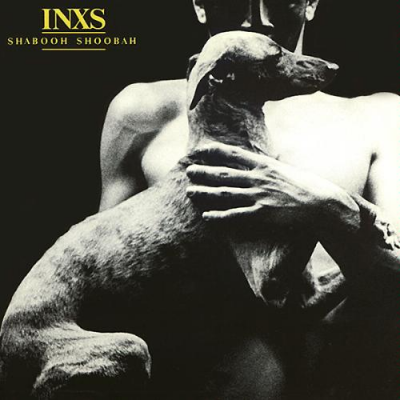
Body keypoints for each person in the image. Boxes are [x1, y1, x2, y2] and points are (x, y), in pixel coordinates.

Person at [99, 0, 400, 398]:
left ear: (310, 2)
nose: (257, 19)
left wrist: (324, 207)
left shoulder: (378, 119)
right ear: (200, 5)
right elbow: (101, 294)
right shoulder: (143, 114)